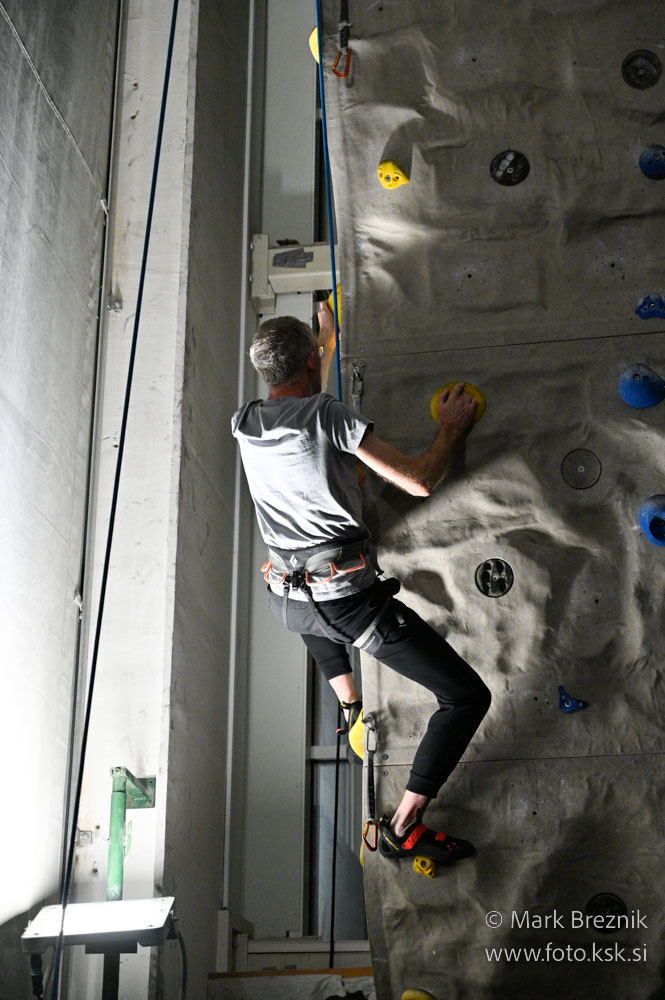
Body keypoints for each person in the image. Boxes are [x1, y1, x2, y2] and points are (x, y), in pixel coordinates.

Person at [231, 303, 491, 865]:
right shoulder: (328, 415)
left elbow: (302, 396)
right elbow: (419, 481)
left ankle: (350, 705)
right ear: (309, 363)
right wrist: (449, 430)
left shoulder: (246, 420)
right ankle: (405, 824)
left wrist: (322, 343)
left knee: (314, 621)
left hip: (286, 598)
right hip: (345, 603)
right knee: (466, 696)